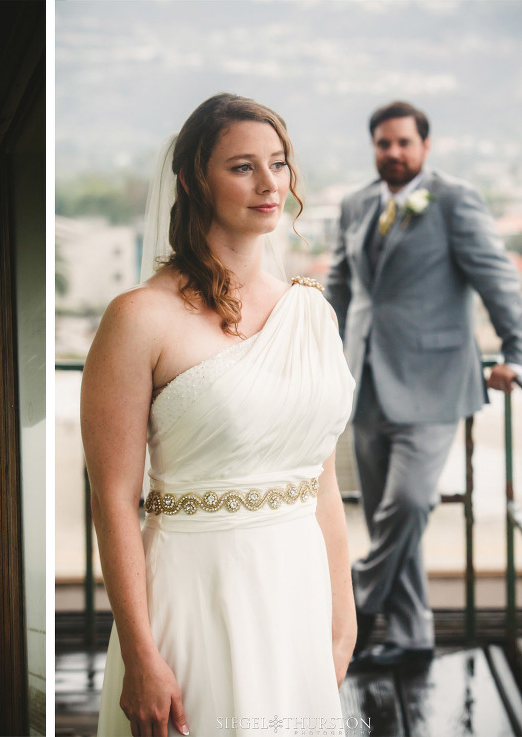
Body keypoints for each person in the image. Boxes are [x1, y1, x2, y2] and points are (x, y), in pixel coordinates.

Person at [83, 92, 357, 737]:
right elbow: (115, 499)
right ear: (191, 178)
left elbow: (323, 480)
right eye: (242, 167)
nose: (269, 185)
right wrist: (140, 655)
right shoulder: (138, 318)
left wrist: (342, 618)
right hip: (196, 592)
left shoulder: (312, 312)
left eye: (279, 163)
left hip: (298, 590)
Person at [325, 100, 522, 668]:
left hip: (434, 381)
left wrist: (515, 352)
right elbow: (340, 283)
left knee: (408, 504)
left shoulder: (456, 199)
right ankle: (412, 638)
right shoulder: (355, 203)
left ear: (425, 146)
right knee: (387, 513)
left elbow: (497, 279)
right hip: (363, 381)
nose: (393, 153)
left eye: (403, 143)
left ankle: (355, 598)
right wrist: (320, 352)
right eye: (383, 144)